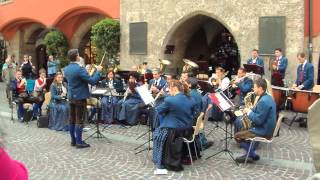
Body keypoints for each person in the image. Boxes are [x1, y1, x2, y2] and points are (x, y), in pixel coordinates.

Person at [153, 79, 197, 172]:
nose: (168, 90)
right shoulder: (191, 98)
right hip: (188, 129)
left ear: (175, 88)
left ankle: (159, 156)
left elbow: (159, 110)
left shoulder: (170, 100)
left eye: (169, 88)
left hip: (174, 131)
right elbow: (193, 114)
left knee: (157, 131)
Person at [64, 49, 103, 148]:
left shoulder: (66, 68)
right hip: (80, 97)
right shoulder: (79, 69)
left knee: (72, 119)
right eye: (78, 54)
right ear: (77, 57)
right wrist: (98, 72)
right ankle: (79, 142)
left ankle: (73, 140)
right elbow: (92, 81)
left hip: (71, 96)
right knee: (79, 120)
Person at [234, 78, 276, 163]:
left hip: (264, 130)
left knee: (237, 136)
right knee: (243, 130)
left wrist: (249, 112)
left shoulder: (263, 101)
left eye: (255, 87)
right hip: (266, 127)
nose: (253, 89)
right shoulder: (267, 97)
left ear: (260, 88)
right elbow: (260, 112)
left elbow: (258, 120)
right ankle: (251, 154)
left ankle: (252, 154)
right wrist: (249, 109)